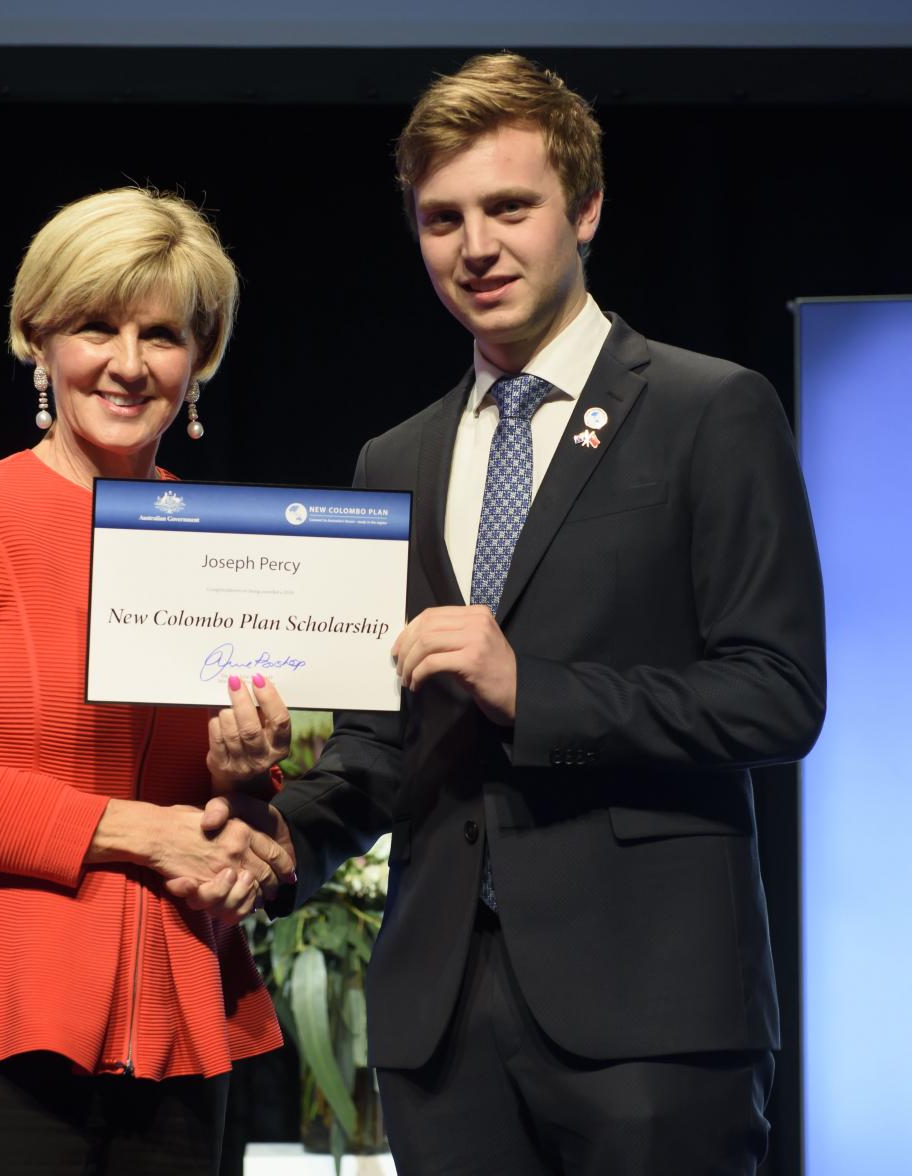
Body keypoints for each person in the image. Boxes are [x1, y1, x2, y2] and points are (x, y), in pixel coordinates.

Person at [203, 53, 826, 1174]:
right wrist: (280, 830)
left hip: (654, 1016)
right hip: (444, 1028)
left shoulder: (711, 409)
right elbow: (383, 747)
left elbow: (776, 694)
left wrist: (533, 691)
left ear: (584, 209)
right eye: (442, 218)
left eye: (508, 207)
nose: (475, 246)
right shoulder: (394, 456)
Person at [0, 186, 295, 1176]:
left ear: (203, 355)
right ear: (38, 335)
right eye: (97, 326)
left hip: (183, 1022)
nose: (130, 364)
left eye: (163, 333)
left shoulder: (231, 542)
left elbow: (226, 817)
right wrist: (138, 828)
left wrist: (242, 784)